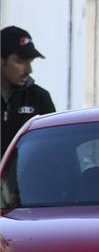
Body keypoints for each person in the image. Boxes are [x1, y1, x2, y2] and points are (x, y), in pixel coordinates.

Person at [1, 26, 55, 155]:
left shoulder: (40, 98)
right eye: (20, 62)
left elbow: (54, 149)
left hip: (28, 175)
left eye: (30, 62)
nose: (29, 70)